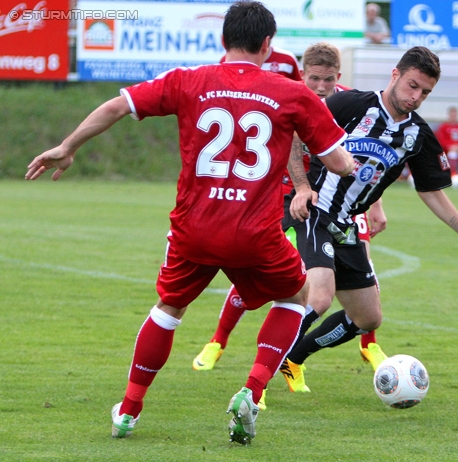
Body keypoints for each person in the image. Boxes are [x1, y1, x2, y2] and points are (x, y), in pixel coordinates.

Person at [25, 1, 354, 445]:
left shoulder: (189, 80)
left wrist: (68, 147)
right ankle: (252, 392)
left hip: (193, 229)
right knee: (297, 297)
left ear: (224, 40)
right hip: (254, 232)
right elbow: (337, 161)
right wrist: (352, 161)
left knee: (168, 310)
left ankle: (129, 409)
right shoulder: (290, 92)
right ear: (268, 44)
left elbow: (117, 106)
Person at [278, 46, 458, 393]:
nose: (416, 97)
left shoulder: (418, 135)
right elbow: (295, 132)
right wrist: (303, 186)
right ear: (395, 75)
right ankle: (259, 375)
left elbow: (430, 191)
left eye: (425, 92)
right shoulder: (351, 104)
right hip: (314, 210)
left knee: (368, 318)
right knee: (320, 297)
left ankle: (293, 357)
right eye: (412, 86)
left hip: (346, 224)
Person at [192, 42, 389, 402]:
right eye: (313, 78)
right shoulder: (285, 96)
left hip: (332, 203)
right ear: (302, 73)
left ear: (338, 78)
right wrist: (297, 186)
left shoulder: (348, 104)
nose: (320, 86)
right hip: (280, 194)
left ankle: (323, 353)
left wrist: (374, 204)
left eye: (328, 80)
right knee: (256, 266)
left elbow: (367, 159)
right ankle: (218, 343)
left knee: (359, 288)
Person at [435, 106, 458, 177]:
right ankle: (453, 174)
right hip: (447, 150)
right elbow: (441, 141)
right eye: (452, 115)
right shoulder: (443, 127)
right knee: (453, 152)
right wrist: (450, 146)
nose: (453, 117)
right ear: (449, 115)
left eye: (455, 115)